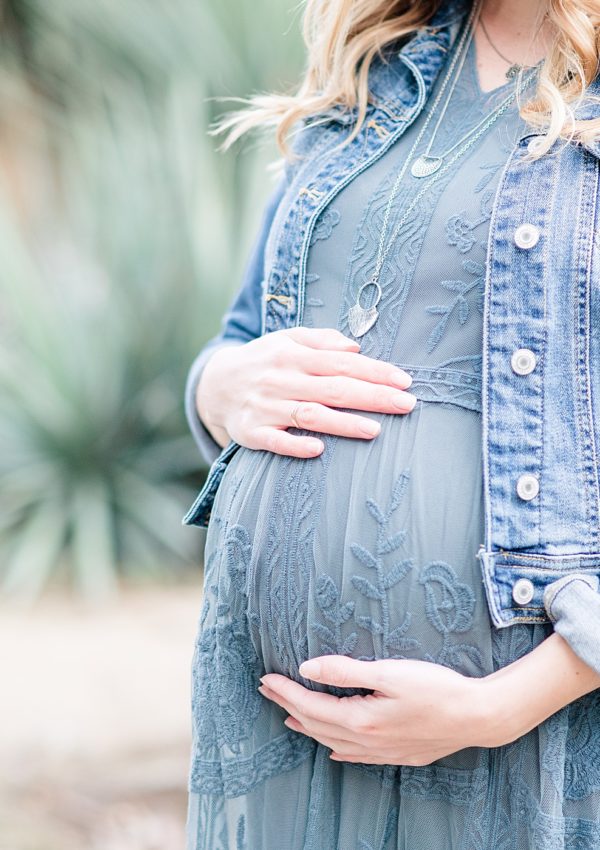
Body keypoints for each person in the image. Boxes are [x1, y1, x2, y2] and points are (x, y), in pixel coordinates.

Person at [183, 0, 600, 846]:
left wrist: (497, 708)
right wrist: (218, 387)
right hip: (280, 732)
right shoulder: (373, 71)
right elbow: (241, 340)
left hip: (512, 735)